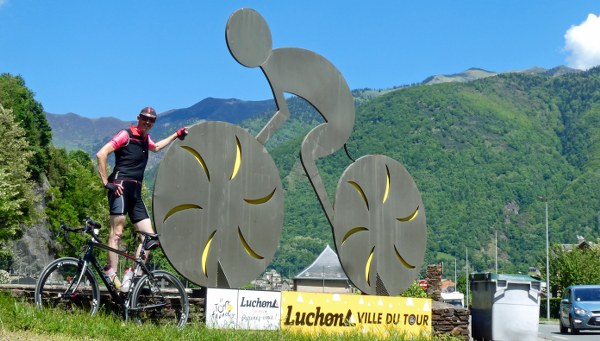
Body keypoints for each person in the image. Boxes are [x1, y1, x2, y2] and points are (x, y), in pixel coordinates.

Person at [96, 106, 187, 291]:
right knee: (117, 233)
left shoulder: (145, 139)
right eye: (145, 118)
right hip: (120, 188)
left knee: (150, 238)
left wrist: (176, 135)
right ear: (138, 118)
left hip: (136, 191)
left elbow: (157, 147)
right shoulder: (126, 134)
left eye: (151, 120)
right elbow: (101, 153)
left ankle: (133, 276)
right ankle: (111, 271)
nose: (147, 122)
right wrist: (107, 182)